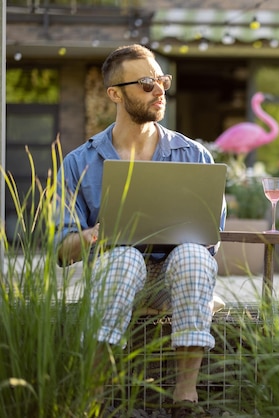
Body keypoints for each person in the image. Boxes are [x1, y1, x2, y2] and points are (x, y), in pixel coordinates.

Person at [55, 44, 225, 418]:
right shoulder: (79, 162)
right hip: (116, 279)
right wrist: (93, 234)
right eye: (146, 83)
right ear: (115, 93)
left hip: (178, 280)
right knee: (125, 259)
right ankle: (94, 396)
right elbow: (61, 251)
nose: (159, 89)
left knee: (194, 254)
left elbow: (213, 237)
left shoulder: (194, 155)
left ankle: (185, 397)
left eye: (161, 80)